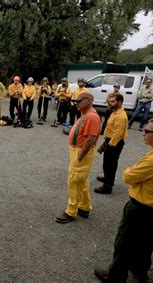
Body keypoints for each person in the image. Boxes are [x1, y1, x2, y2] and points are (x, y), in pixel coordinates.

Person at [94, 117, 153, 283]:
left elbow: (128, 176)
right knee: (145, 243)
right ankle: (140, 270)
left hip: (140, 208)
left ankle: (115, 276)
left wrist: (131, 169)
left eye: (148, 131)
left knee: (124, 243)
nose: (144, 133)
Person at [56, 92, 101, 224]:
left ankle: (71, 211)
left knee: (74, 181)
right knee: (82, 181)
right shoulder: (86, 114)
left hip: (81, 152)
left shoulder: (92, 116)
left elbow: (90, 139)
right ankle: (84, 207)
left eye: (79, 101)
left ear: (88, 101)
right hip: (78, 150)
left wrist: (80, 156)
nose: (76, 103)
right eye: (76, 101)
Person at [94, 93, 128, 194]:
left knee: (110, 165)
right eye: (109, 101)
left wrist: (110, 145)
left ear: (120, 102)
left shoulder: (121, 116)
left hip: (114, 143)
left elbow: (118, 133)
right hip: (110, 140)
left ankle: (107, 187)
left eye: (113, 101)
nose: (110, 103)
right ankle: (107, 178)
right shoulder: (115, 112)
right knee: (107, 164)